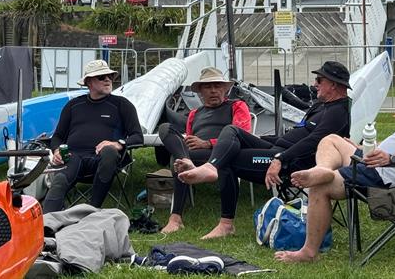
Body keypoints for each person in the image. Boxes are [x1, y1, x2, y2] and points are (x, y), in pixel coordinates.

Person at [274, 64, 395, 263]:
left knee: (318, 187)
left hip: (387, 175)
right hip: (379, 163)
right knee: (331, 139)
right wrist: (366, 148)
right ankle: (322, 169)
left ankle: (308, 252)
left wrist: (392, 158)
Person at [177, 61, 352, 239]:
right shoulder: (322, 106)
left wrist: (280, 159)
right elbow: (299, 134)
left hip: (292, 162)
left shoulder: (338, 111)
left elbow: (313, 142)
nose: (315, 84)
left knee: (230, 159)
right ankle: (210, 167)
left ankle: (226, 224)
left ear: (333, 84)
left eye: (319, 80)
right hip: (279, 148)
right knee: (232, 131)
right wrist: (261, 140)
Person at [158, 67, 252, 234]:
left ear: (225, 89)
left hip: (223, 154)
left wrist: (208, 143)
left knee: (178, 161)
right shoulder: (194, 114)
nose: (214, 91)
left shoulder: (237, 106)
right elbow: (189, 138)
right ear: (200, 91)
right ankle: (176, 217)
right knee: (166, 130)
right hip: (195, 156)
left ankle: (175, 217)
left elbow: (242, 134)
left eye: (217, 86)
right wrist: (188, 147)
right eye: (208, 87)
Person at [43, 59, 143, 213]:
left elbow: (138, 137)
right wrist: (56, 151)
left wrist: (117, 144)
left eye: (110, 76)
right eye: (102, 77)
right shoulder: (73, 105)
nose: (108, 79)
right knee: (60, 180)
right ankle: (46, 224)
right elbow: (57, 137)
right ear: (89, 82)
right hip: (74, 157)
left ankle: (91, 211)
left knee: (109, 152)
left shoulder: (122, 104)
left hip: (103, 160)